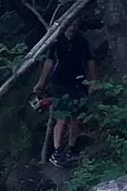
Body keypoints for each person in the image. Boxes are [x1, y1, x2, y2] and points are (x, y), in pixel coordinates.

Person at [33, 20, 96, 167]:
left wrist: (93, 81)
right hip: (59, 83)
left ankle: (72, 149)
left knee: (76, 117)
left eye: (75, 25)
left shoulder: (82, 42)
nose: (72, 28)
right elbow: (49, 62)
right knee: (62, 116)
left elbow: (90, 61)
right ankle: (57, 150)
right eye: (70, 26)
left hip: (79, 82)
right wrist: (41, 82)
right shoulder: (57, 41)